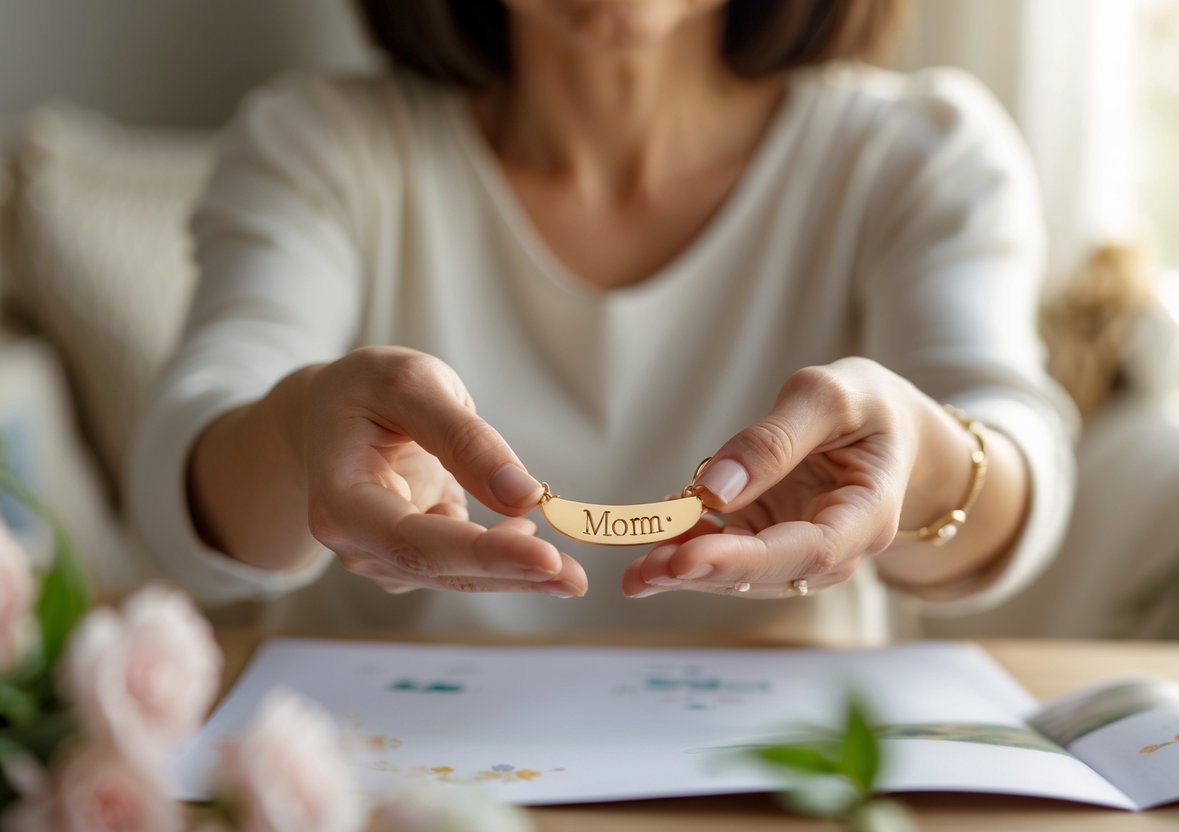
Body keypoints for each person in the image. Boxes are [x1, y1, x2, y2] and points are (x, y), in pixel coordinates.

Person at [128, 0, 1077, 641]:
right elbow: (183, 489)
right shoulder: (320, 145)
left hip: (778, 790)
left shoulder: (919, 154)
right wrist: (302, 431)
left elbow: (1019, 478)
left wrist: (922, 453)